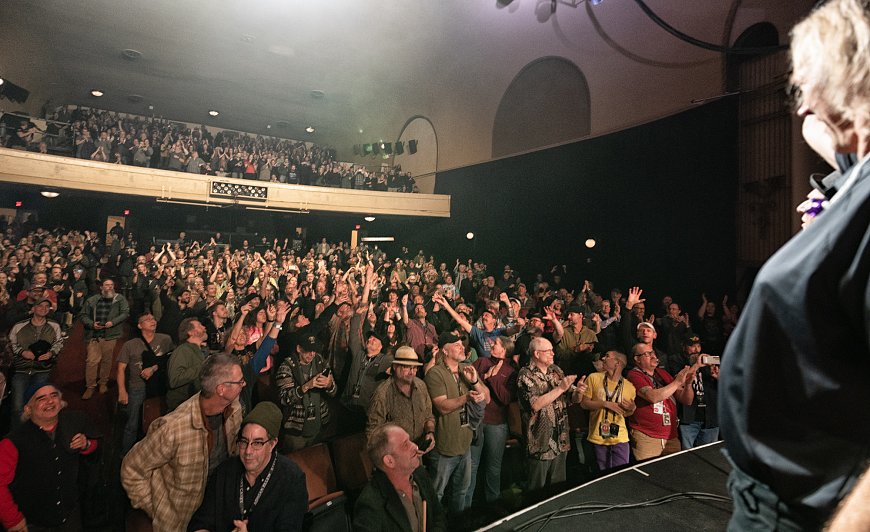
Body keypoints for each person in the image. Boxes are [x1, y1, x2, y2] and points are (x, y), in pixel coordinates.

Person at [720, 1, 870, 529]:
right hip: (776, 497)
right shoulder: (855, 178)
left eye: (807, 82)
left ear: (845, 78)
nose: (800, 102)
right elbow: (822, 130)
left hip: (805, 513)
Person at [121, 354, 245, 532]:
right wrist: (157, 509)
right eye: (239, 382)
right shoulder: (173, 429)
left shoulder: (234, 408)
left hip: (217, 511)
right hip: (181, 522)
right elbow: (131, 469)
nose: (244, 384)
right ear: (221, 389)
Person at [189, 402, 308, 532]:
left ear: (272, 444)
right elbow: (201, 523)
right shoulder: (224, 471)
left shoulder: (292, 479)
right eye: (244, 442)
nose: (248, 451)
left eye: (257, 443)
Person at [0, 384, 99, 531]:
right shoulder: (12, 442)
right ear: (28, 408)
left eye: (54, 395)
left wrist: (86, 444)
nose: (50, 401)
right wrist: (13, 519)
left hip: (70, 517)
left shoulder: (73, 423)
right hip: (34, 523)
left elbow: (95, 446)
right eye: (41, 398)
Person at [424, 331, 489, 514]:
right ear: (445, 350)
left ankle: (458, 524)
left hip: (465, 443)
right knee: (437, 493)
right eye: (457, 345)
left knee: (461, 491)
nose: (462, 347)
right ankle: (433, 525)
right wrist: (466, 398)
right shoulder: (435, 373)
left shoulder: (466, 368)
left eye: (462, 344)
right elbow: (442, 407)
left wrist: (474, 382)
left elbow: (487, 398)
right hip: (445, 445)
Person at [517, 337, 587, 491]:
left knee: (558, 488)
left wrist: (579, 392)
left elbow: (572, 399)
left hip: (560, 439)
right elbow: (535, 404)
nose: (552, 353)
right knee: (536, 491)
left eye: (552, 350)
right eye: (548, 351)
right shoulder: (525, 375)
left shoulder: (556, 370)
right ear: (536, 354)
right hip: (539, 442)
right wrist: (560, 388)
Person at [353, 424, 447, 532]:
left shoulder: (420, 474)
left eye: (410, 440)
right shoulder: (370, 505)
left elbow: (438, 515)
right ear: (389, 461)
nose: (415, 447)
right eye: (405, 445)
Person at [468, 335, 517, 505]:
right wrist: (483, 377)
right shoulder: (481, 362)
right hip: (477, 422)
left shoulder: (511, 371)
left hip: (497, 425)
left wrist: (493, 378)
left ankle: (492, 504)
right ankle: (468, 504)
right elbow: (469, 381)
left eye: (495, 343)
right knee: (471, 466)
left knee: (493, 468)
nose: (491, 344)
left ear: (504, 350)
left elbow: (506, 398)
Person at [116, 313, 175, 454]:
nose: (152, 321)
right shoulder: (130, 345)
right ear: (139, 325)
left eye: (153, 319)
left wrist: (154, 368)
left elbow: (170, 360)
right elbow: (121, 369)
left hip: (158, 387)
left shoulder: (165, 339)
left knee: (157, 421)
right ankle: (126, 454)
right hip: (137, 387)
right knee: (132, 423)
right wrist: (122, 391)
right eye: (147, 320)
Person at [626, 343, 695, 461]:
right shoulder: (634, 375)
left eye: (653, 352)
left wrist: (688, 384)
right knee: (649, 470)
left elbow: (687, 400)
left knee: (675, 469)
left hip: (671, 436)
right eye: (647, 354)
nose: (653, 356)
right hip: (647, 436)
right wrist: (677, 382)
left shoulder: (662, 373)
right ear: (637, 359)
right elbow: (652, 397)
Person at [275, 334, 337, 451]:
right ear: (298, 349)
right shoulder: (286, 367)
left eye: (314, 350)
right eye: (308, 350)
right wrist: (307, 386)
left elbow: (334, 392)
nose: (312, 354)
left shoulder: (320, 361)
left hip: (320, 427)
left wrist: (329, 385)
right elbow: (284, 399)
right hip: (296, 431)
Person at [7, 296, 64, 423]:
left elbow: (58, 343)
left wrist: (51, 353)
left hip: (42, 369)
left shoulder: (54, 326)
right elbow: (11, 343)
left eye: (47, 306)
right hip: (21, 369)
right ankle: (18, 431)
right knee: (18, 406)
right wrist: (22, 352)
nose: (44, 309)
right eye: (40, 306)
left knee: (39, 403)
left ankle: (36, 429)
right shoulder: (19, 326)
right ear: (33, 308)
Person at [366, 346, 436, 449]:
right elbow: (372, 433)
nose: (412, 372)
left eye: (415, 368)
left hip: (418, 449)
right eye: (406, 367)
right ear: (395, 367)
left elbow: (428, 415)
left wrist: (430, 432)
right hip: (395, 453)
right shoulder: (383, 394)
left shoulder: (421, 386)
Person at [580, 350, 636, 471]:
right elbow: (584, 404)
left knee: (620, 474)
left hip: (620, 437)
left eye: (607, 356)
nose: (603, 359)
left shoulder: (629, 387)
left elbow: (626, 413)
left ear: (617, 363)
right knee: (601, 475)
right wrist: (605, 404)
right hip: (597, 436)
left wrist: (632, 409)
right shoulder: (593, 378)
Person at [79, 278, 130, 399]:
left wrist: (113, 322)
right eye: (107, 285)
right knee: (92, 361)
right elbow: (83, 315)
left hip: (110, 335)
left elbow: (125, 313)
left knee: (107, 360)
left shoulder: (120, 299)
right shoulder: (92, 300)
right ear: (101, 287)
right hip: (94, 335)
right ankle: (90, 386)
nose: (110, 287)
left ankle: (103, 383)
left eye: (111, 285)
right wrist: (92, 324)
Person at [166, 317, 209, 411]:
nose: (204, 327)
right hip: (182, 408)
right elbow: (175, 379)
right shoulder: (182, 350)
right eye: (199, 326)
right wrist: (204, 366)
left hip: (195, 405)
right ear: (190, 332)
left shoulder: (197, 350)